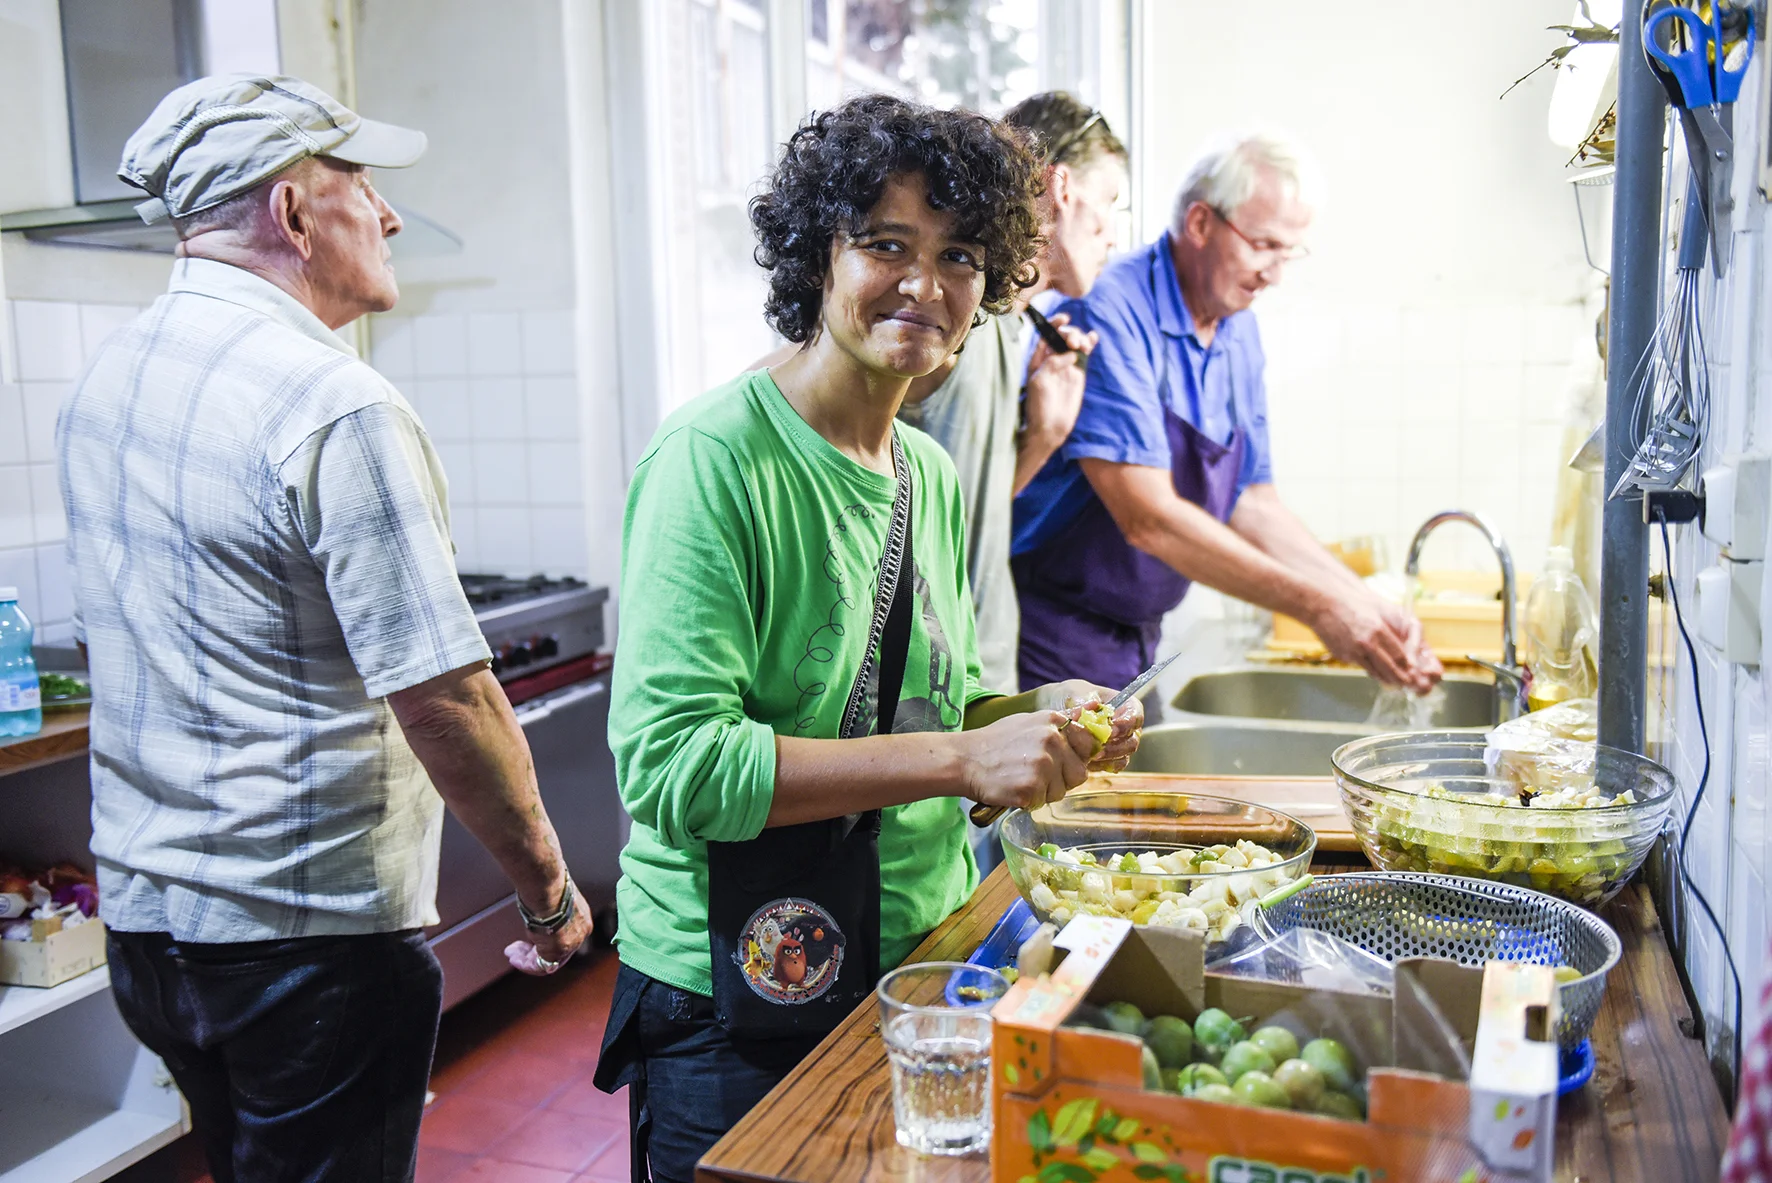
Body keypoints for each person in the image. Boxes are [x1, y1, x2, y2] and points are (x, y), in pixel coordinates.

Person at [592, 95, 1141, 1183]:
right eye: (884, 244)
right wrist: (957, 757)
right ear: (815, 256)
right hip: (736, 987)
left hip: (913, 961)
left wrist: (1022, 720)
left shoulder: (921, 474)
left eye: (959, 256)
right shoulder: (713, 460)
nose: (924, 286)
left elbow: (920, 714)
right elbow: (673, 766)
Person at [58, 75, 590, 1183]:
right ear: (292, 214)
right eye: (362, 184)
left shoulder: (103, 378)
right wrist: (547, 888)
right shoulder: (330, 401)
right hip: (306, 946)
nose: (388, 215)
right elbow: (447, 698)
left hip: (153, 930)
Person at [1011, 132, 1442, 695]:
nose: (1275, 273)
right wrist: (1320, 609)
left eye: (1288, 253)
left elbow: (1253, 502)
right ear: (1199, 224)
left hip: (1138, 640)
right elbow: (1150, 518)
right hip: (1050, 637)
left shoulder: (1238, 328)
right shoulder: (1108, 310)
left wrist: (1364, 603)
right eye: (1263, 245)